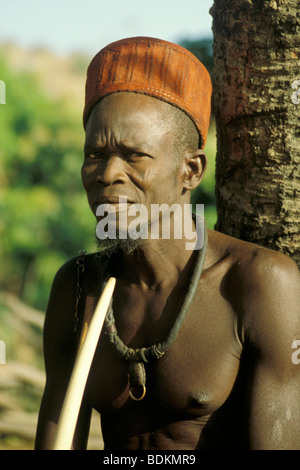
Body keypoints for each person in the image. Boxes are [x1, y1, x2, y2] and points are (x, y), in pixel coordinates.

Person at [35, 36, 300, 450]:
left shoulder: (259, 284)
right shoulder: (77, 289)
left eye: (134, 155)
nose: (107, 174)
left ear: (190, 171)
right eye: (94, 155)